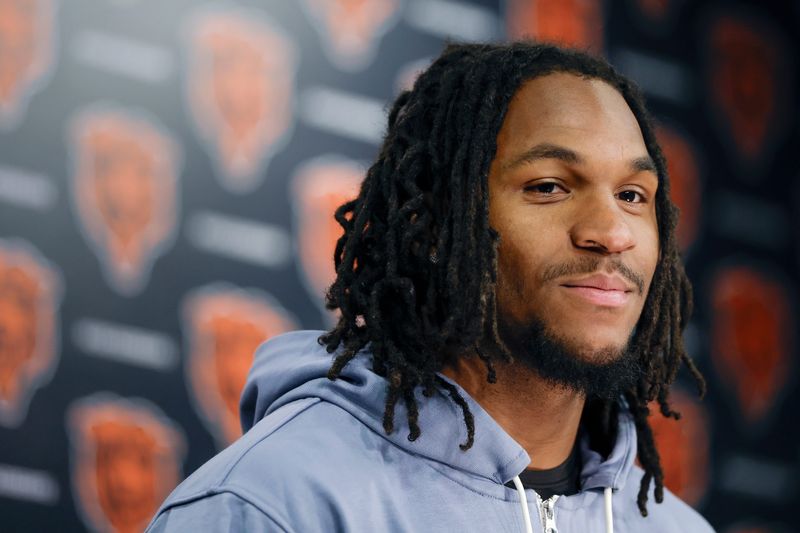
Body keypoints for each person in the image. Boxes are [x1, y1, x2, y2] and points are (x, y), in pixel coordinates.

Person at [147, 42, 714, 532]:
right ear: (436, 227)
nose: (612, 232)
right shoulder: (273, 506)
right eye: (548, 187)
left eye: (634, 195)